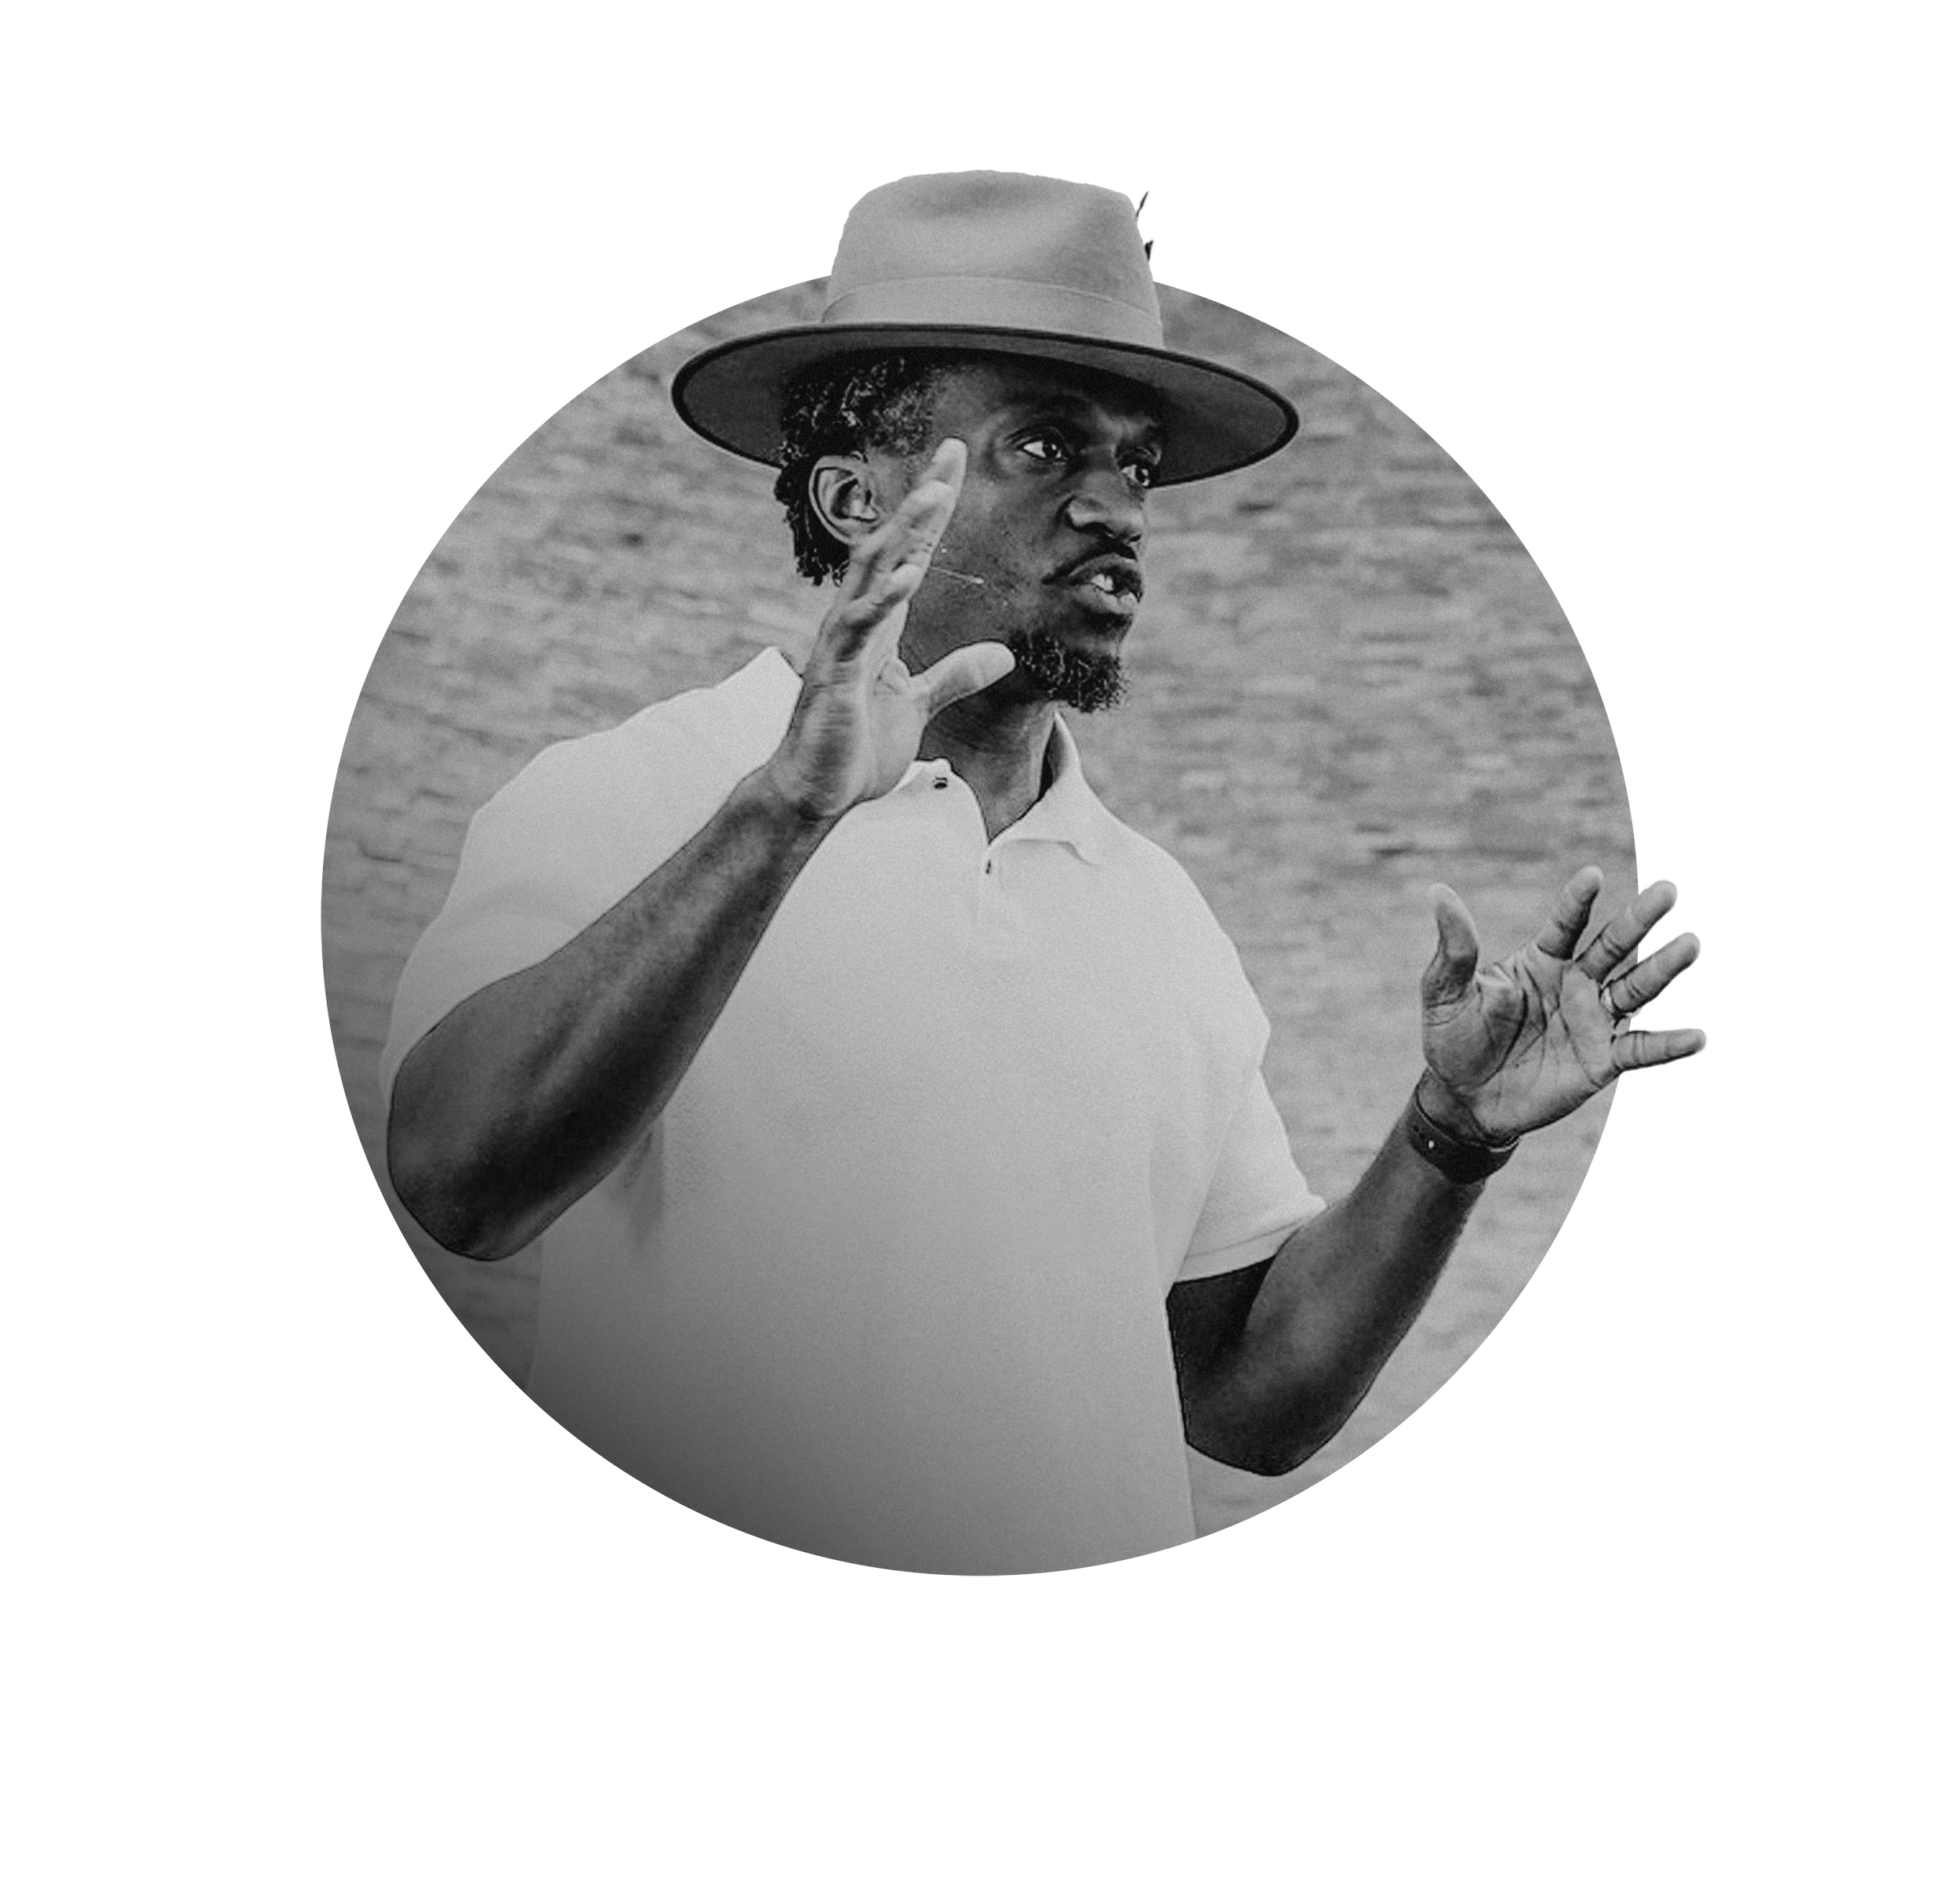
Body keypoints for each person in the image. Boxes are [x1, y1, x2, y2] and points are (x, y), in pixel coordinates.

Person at [381, 172, 1705, 1573]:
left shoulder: (1156, 914)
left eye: (1138, 464)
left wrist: (1452, 1133)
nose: (1117, 508)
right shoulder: (623, 796)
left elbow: (1248, 1395)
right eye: (1044, 445)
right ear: (856, 497)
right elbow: (459, 1184)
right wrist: (782, 813)